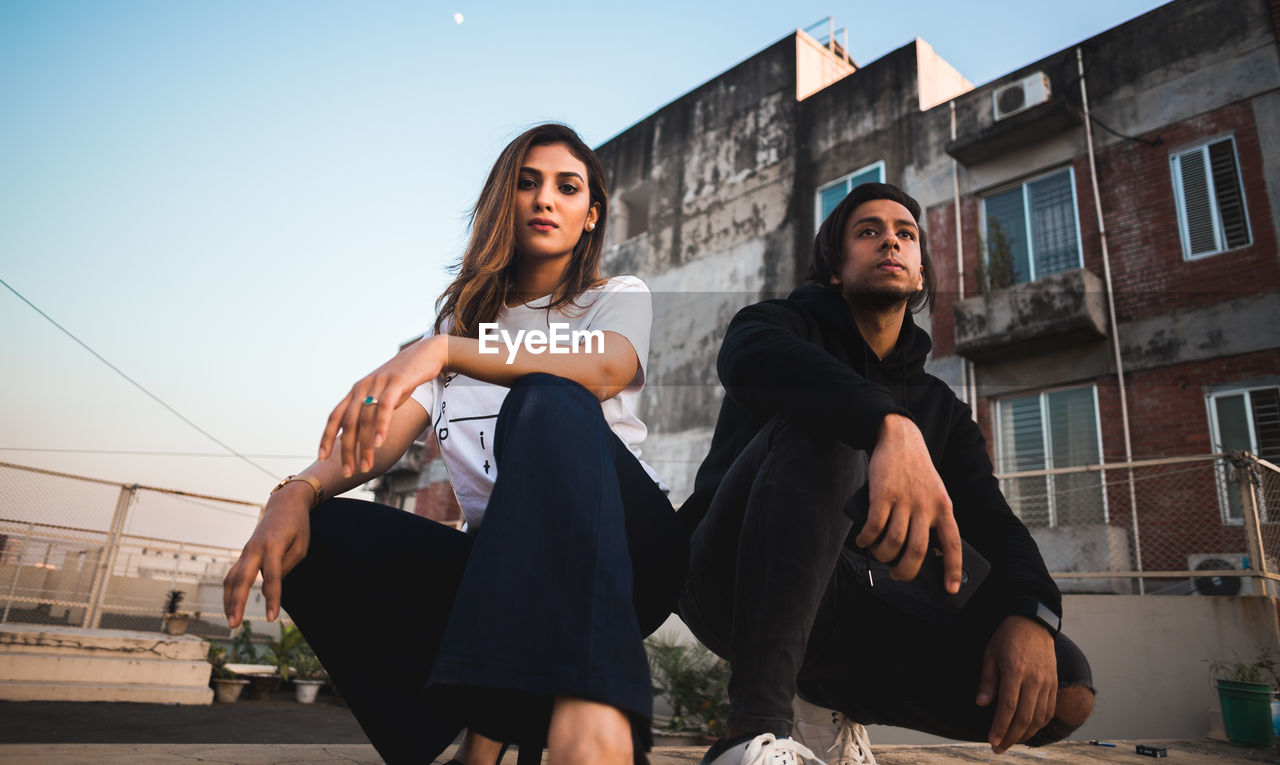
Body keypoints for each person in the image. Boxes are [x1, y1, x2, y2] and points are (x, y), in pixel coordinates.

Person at [222, 123, 688, 765]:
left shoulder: (613, 299)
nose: (545, 199)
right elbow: (377, 443)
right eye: (527, 183)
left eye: (566, 187)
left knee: (546, 397)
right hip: (504, 569)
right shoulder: (457, 326)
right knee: (320, 536)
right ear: (505, 200)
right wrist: (295, 492)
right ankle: (451, 735)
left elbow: (605, 366)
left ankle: (571, 717)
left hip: (630, 552)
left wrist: (443, 351)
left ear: (590, 216)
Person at [676, 183, 1095, 765]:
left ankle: (825, 702)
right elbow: (748, 361)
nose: (890, 241)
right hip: (730, 575)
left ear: (920, 273)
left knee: (1068, 686)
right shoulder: (775, 325)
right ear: (835, 271)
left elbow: (993, 522)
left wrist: (1031, 612)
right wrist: (889, 426)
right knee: (830, 428)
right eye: (868, 231)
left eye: (905, 234)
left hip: (855, 605)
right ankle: (752, 733)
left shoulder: (941, 407)